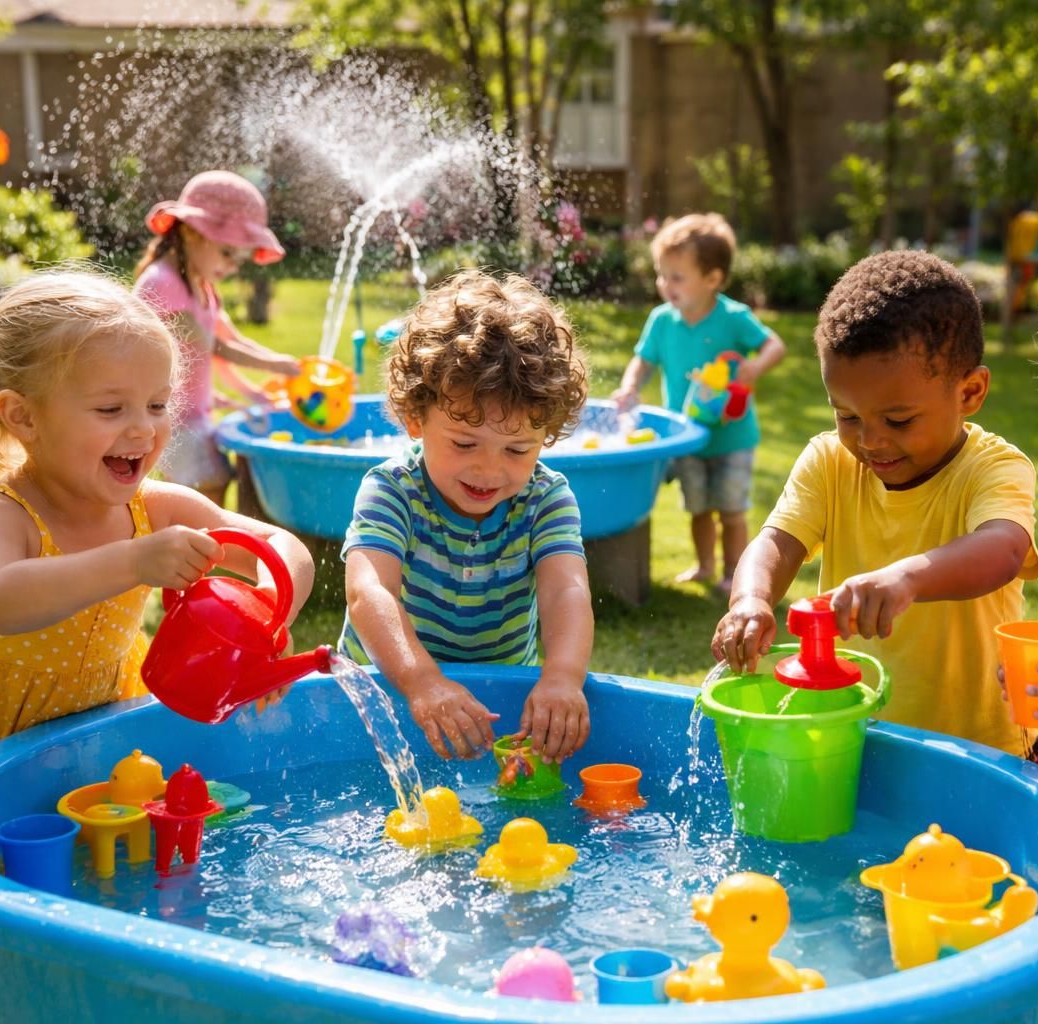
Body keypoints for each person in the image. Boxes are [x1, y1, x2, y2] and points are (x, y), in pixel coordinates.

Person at [0, 270, 315, 1023]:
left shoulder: (155, 507)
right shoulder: (0, 514)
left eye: (156, 405)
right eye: (110, 408)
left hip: (97, 750)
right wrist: (132, 562)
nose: (143, 430)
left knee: (82, 926)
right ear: (21, 416)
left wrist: (267, 613)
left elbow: (280, 548)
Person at [712, 250, 1038, 759]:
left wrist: (906, 579)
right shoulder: (829, 462)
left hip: (978, 748)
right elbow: (777, 541)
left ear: (970, 392)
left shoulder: (993, 468)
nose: (870, 441)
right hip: (854, 733)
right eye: (847, 416)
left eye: (899, 420)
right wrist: (751, 600)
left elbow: (1002, 550)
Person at [339, 270, 593, 764]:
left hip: (499, 697)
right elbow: (369, 593)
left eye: (517, 450)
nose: (488, 470)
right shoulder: (393, 490)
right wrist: (422, 682)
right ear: (416, 418)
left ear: (546, 437)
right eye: (464, 444)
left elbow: (566, 590)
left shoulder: (545, 498)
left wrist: (563, 676)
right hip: (385, 691)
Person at [611, 213, 787, 593]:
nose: (665, 284)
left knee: (732, 509)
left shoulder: (734, 318)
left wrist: (755, 367)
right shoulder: (662, 320)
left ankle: (734, 574)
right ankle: (705, 567)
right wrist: (630, 387)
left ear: (712, 279)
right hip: (687, 436)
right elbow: (643, 360)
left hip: (732, 437)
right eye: (662, 275)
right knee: (698, 508)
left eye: (677, 277)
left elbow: (775, 345)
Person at [134, 170, 301, 505]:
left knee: (219, 484)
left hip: (194, 414)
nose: (234, 266)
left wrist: (252, 392)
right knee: (207, 487)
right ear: (192, 232)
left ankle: (204, 538)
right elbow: (215, 347)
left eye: (240, 259)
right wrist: (278, 366)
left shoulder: (203, 287)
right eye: (227, 253)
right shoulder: (162, 283)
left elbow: (230, 341)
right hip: (165, 417)